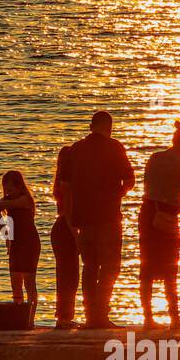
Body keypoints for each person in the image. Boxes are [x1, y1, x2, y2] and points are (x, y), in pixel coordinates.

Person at [56, 111, 135, 329]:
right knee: (111, 266)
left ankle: (91, 315)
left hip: (84, 218)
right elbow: (130, 179)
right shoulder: (115, 147)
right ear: (109, 128)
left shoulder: (75, 150)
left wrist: (70, 217)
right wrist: (117, 194)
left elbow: (65, 188)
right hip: (109, 217)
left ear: (91, 126)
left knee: (90, 266)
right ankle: (101, 312)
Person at [139, 120, 180, 330]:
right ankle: (174, 318)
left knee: (146, 266)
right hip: (167, 217)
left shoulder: (155, 158)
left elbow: (147, 182)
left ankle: (148, 317)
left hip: (146, 213)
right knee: (169, 268)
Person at [0, 169, 41, 328]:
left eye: (11, 189)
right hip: (16, 243)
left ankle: (31, 319)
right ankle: (19, 316)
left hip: (30, 243)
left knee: (29, 282)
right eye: (6, 189)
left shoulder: (25, 199)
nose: (8, 193)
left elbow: (6, 204)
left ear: (20, 187)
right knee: (15, 281)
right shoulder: (5, 200)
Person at [50, 145, 79, 329]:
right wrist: (76, 235)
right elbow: (68, 211)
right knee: (69, 275)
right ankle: (64, 316)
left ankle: (65, 315)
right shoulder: (67, 183)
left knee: (66, 274)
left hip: (60, 228)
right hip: (65, 228)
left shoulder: (59, 180)